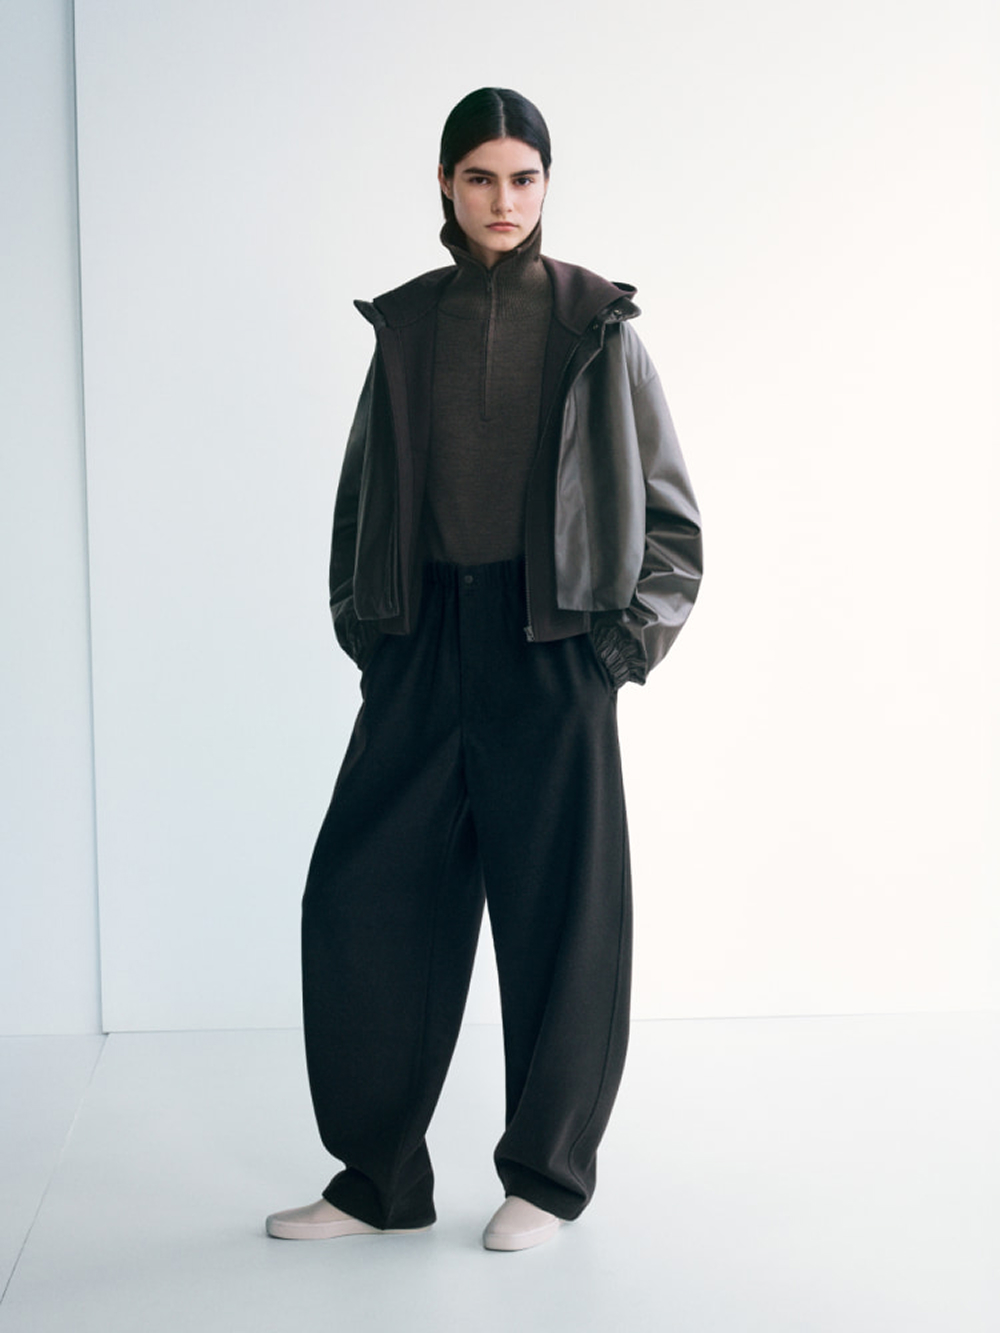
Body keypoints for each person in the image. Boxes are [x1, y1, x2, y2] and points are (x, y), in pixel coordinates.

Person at [266, 87, 702, 1253]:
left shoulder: (597, 324)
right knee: (362, 897)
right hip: (421, 641)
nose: (502, 199)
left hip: (553, 644)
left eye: (523, 177)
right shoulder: (408, 323)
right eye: (479, 177)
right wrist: (371, 628)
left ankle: (544, 1180)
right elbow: (362, 494)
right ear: (445, 187)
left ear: (546, 186)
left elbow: (671, 518)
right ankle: (377, 1181)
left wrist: (619, 646)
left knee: (561, 917)